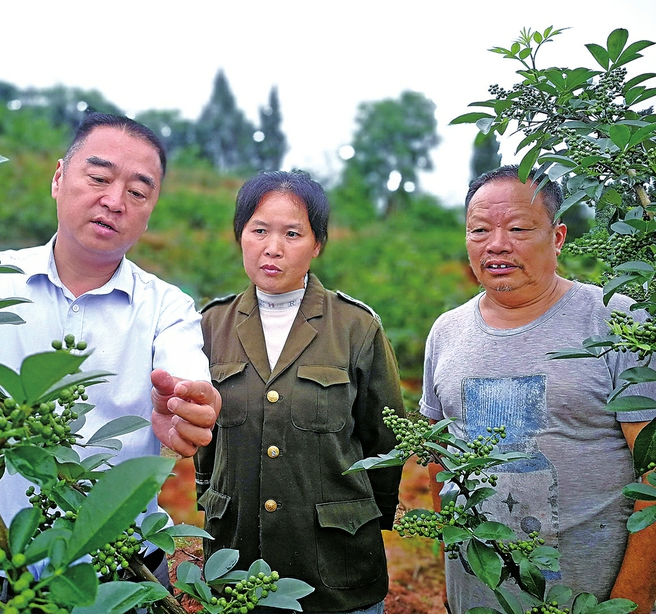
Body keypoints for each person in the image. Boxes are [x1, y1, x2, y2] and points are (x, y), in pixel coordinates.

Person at [0, 113, 221, 599]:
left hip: (123, 571)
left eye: (138, 193)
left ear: (150, 209)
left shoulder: (166, 307)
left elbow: (186, 375)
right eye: (98, 178)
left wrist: (189, 404)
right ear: (58, 178)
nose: (114, 201)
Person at [421, 165, 656, 613]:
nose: (496, 244)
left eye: (518, 228)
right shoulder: (446, 332)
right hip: (477, 600)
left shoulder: (615, 321)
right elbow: (438, 462)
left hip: (590, 600)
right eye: (479, 230)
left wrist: (635, 599)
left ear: (558, 236)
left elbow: (654, 474)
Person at [195, 171, 405, 614]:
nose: (273, 248)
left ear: (317, 244)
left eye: (292, 233)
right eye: (259, 231)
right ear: (240, 237)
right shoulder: (211, 326)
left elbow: (385, 438)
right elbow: (205, 441)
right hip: (237, 560)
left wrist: (367, 514)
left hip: (334, 562)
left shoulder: (355, 327)